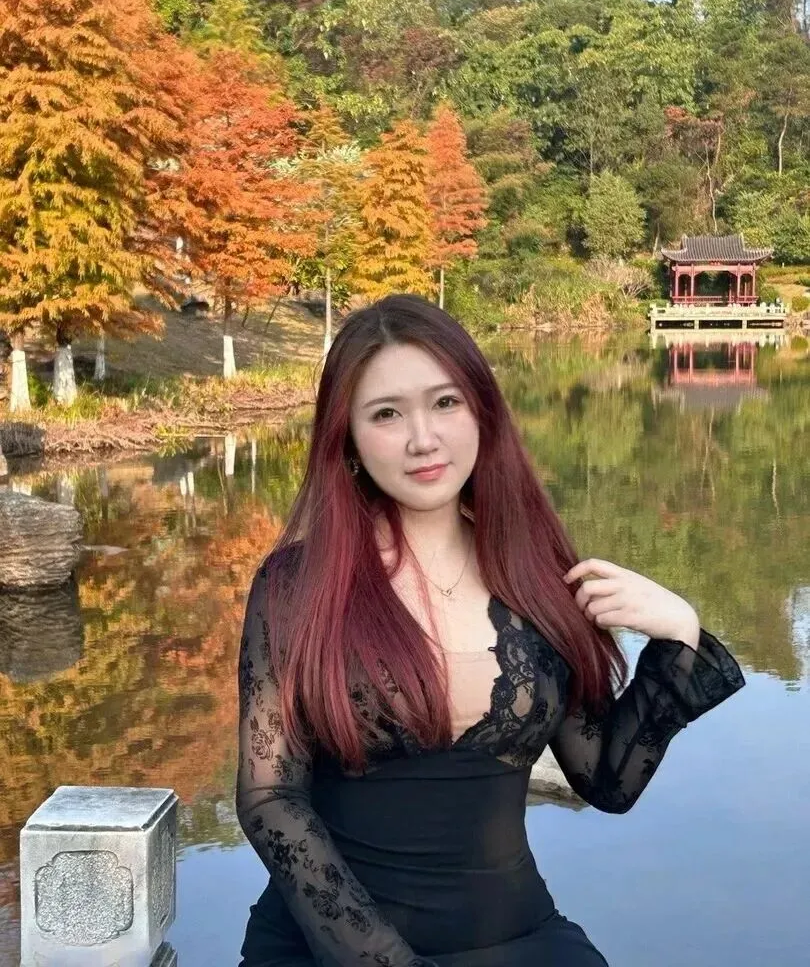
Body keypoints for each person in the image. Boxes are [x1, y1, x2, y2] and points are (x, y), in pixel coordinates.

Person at [236, 294, 745, 967]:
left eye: (445, 402)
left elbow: (607, 781)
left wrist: (678, 634)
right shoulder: (298, 585)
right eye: (387, 414)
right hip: (333, 946)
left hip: (513, 938)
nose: (423, 439)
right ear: (349, 439)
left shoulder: (536, 576)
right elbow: (270, 798)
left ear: (481, 410)